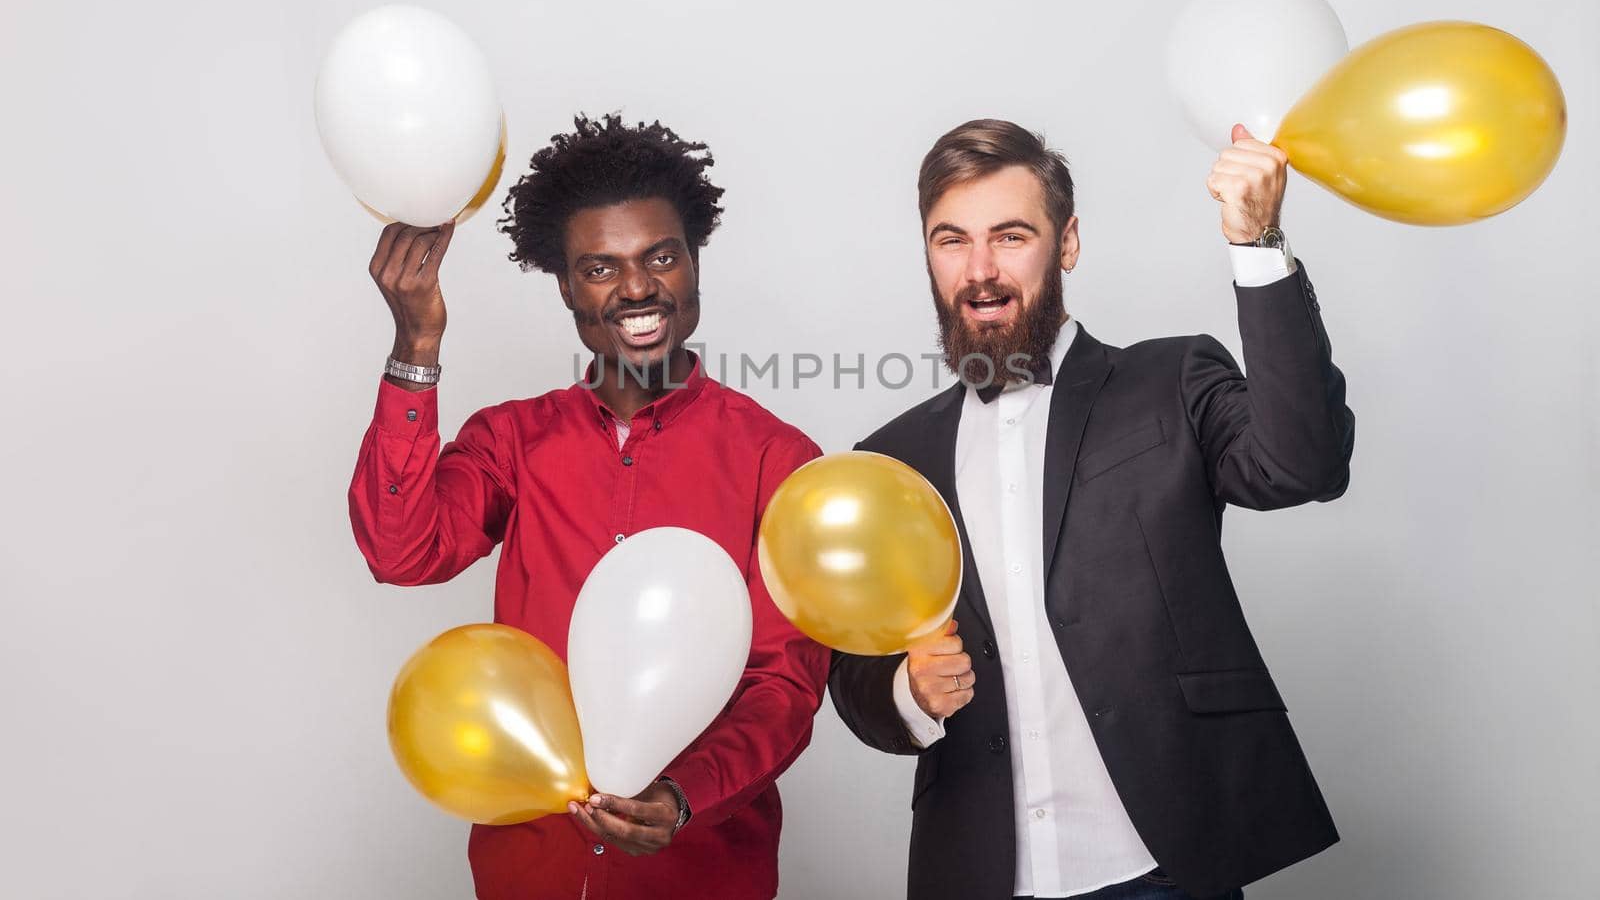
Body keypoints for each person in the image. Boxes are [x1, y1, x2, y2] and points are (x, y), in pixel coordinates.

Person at [828, 119, 1354, 900]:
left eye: (1010, 236)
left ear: (1067, 242)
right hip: (979, 873)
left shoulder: (1172, 379)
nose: (980, 270)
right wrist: (909, 692)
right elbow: (853, 674)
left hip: (1163, 866)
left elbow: (1302, 463)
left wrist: (1259, 242)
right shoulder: (887, 462)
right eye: (951, 240)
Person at [348, 114, 829, 900]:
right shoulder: (511, 441)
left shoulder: (776, 461)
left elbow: (785, 684)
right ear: (567, 285)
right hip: (530, 871)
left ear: (695, 265)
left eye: (660, 257)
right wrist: (416, 345)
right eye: (601, 267)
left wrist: (684, 795)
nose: (637, 288)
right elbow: (401, 550)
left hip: (702, 876)